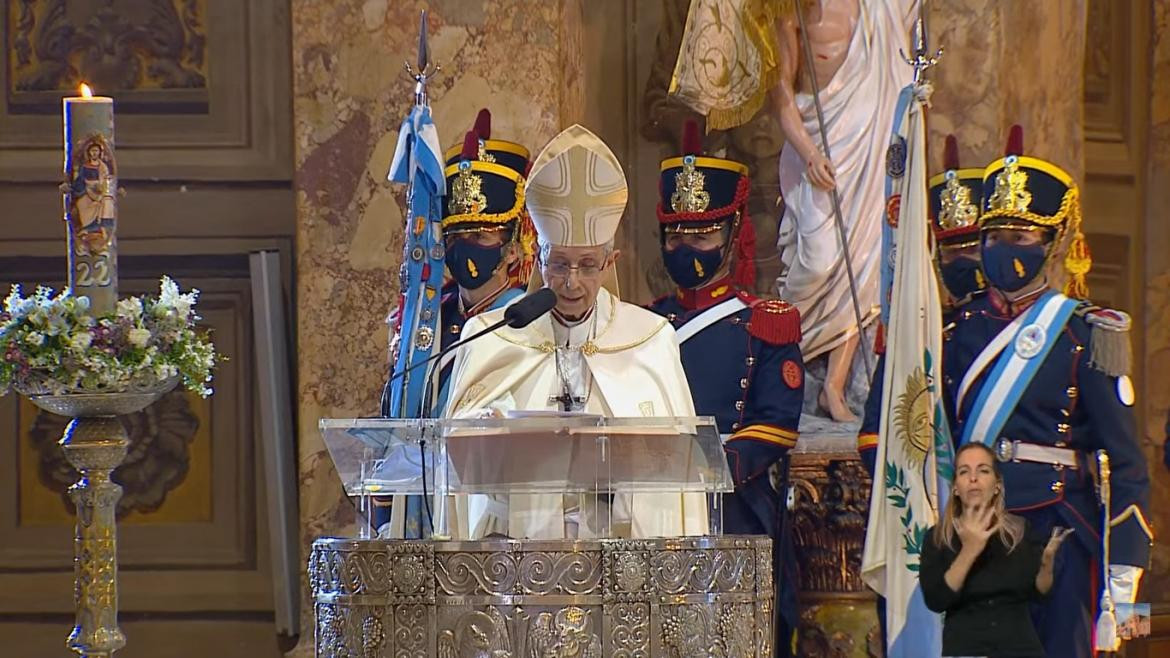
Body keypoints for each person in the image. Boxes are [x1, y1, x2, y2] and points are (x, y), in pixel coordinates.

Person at [944, 127, 1152, 658]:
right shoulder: (955, 331)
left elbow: (1126, 464)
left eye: (1021, 236)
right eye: (994, 236)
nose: (1004, 250)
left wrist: (1126, 592)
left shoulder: (1086, 333)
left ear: (1053, 242)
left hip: (1058, 530)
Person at [443, 124, 703, 540]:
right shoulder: (490, 336)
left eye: (587, 265)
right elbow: (458, 468)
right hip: (519, 564)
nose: (571, 282)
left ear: (610, 260)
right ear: (538, 256)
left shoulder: (650, 339)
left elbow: (675, 476)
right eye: (559, 264)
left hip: (620, 565)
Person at [647, 120, 804, 656]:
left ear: (734, 232)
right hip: (653, 511)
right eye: (676, 234)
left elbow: (778, 422)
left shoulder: (766, 322)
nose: (686, 246)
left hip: (734, 509)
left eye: (703, 234)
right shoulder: (644, 326)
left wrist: (704, 467)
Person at [374, 110, 536, 538]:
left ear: (514, 248)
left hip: (491, 526)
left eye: (481, 237)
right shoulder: (425, 321)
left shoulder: (530, 324)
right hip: (416, 523)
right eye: (456, 236)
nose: (466, 249)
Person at [857, 135, 988, 654]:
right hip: (930, 534)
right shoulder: (919, 339)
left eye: (971, 246)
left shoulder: (999, 337)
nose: (961, 260)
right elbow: (875, 436)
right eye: (949, 248)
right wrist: (917, 486)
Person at [771, 0, 918, 421]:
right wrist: (810, 152)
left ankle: (833, 387)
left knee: (865, 263)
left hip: (869, 150)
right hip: (819, 150)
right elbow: (781, 94)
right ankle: (782, 359)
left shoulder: (881, 9)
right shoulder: (792, 12)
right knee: (817, 263)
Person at [920, 442, 1073, 658]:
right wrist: (969, 551)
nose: (973, 478)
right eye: (964, 472)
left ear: (997, 484)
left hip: (1020, 650)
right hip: (967, 650)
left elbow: (1039, 594)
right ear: (955, 487)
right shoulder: (937, 538)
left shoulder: (1019, 531)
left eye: (983, 470)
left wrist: (1047, 564)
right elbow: (936, 600)